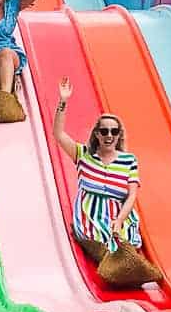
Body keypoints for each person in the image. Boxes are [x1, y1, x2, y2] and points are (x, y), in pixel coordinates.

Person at [53, 76, 143, 254]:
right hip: (90, 217)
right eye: (104, 131)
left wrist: (119, 220)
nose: (109, 135)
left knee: (123, 244)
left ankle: (121, 259)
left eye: (114, 131)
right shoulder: (84, 155)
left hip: (119, 215)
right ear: (97, 134)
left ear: (119, 135)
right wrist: (63, 101)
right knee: (103, 244)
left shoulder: (129, 160)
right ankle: (107, 257)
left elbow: (132, 195)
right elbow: (58, 134)